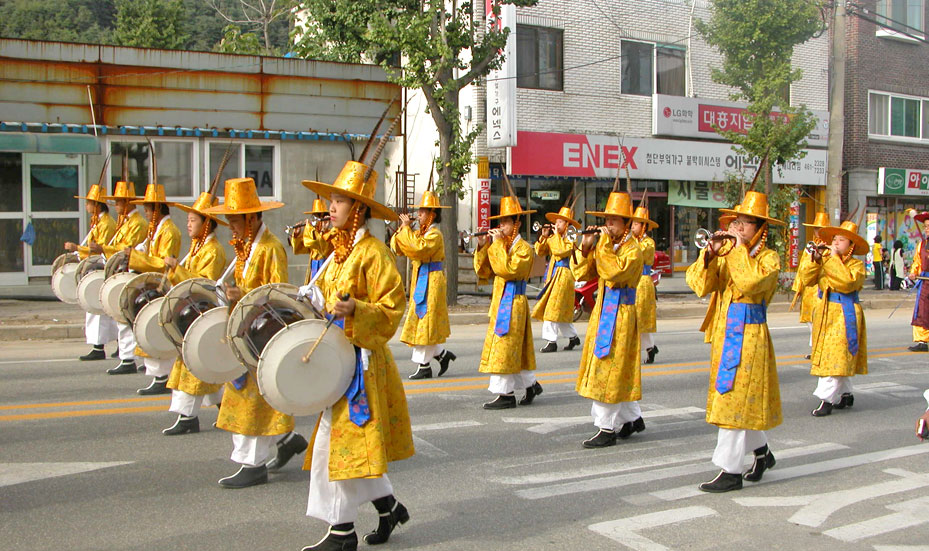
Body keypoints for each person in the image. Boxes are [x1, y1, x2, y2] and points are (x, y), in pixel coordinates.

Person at [299, 159, 415, 550]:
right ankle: (389, 507)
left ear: (358, 209)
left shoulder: (374, 253)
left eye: (339, 201)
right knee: (351, 444)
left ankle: (342, 532)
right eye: (331, 200)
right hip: (337, 360)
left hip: (361, 365)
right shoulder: (338, 253)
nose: (330, 207)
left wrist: (357, 310)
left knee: (337, 445)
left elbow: (392, 308)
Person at [203, 177, 308, 489]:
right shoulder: (246, 248)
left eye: (235, 221)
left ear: (251, 218)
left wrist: (243, 294)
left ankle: (253, 464)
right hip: (244, 330)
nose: (231, 228)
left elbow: (278, 296)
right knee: (253, 396)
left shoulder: (270, 248)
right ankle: (286, 439)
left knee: (251, 398)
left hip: (261, 333)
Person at [685, 190, 783, 493]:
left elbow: (750, 283)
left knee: (732, 401)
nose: (738, 227)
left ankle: (730, 470)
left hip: (749, 337)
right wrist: (709, 255)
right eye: (736, 222)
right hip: (725, 333)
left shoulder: (768, 258)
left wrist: (737, 248)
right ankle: (762, 453)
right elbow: (699, 285)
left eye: (745, 223)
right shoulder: (730, 254)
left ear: (760, 229)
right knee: (738, 399)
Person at [573, 190, 645, 448]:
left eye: (614, 220)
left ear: (626, 223)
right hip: (604, 311)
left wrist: (601, 244)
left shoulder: (633, 250)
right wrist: (586, 246)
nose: (608, 224)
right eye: (607, 219)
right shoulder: (608, 245)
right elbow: (583, 273)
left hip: (621, 315)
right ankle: (632, 418)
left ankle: (606, 427)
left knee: (608, 369)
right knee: (616, 369)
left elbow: (613, 273)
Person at [158, 191, 228, 435]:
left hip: (203, 313)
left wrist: (177, 270)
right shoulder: (197, 247)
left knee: (193, 363)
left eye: (192, 220)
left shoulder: (213, 251)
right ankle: (224, 409)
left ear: (206, 223)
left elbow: (205, 285)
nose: (188, 224)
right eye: (187, 220)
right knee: (203, 364)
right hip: (190, 312)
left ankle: (187, 416)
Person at [474, 182, 541, 410]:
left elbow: (508, 270)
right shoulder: (501, 245)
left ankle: (506, 394)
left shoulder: (525, 249)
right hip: (500, 301)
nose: (501, 226)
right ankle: (530, 384)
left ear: (516, 224)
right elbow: (484, 271)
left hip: (514, 303)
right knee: (514, 348)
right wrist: (483, 246)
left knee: (503, 347)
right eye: (500, 222)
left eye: (505, 222)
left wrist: (496, 246)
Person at [799, 218, 868, 417]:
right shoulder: (826, 260)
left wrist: (833, 258)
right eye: (834, 239)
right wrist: (815, 260)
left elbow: (846, 283)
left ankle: (826, 399)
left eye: (841, 240)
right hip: (825, 310)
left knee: (835, 355)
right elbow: (806, 279)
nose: (836, 243)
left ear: (851, 245)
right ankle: (846, 393)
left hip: (844, 313)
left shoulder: (856, 265)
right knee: (832, 354)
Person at [389, 182, 455, 380]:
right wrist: (403, 229)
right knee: (422, 320)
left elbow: (418, 248)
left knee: (424, 320)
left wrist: (406, 230)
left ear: (432, 214)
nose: (418, 215)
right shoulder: (420, 233)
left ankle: (424, 365)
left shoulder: (435, 234)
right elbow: (398, 247)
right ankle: (442, 355)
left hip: (432, 281)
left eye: (423, 211)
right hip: (421, 279)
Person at [126, 181, 182, 395]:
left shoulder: (170, 231)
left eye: (149, 209)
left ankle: (162, 376)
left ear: (158, 209)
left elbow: (163, 264)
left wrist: (137, 258)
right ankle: (158, 374)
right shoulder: (156, 229)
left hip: (161, 285)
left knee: (156, 329)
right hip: (150, 283)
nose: (146, 213)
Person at [93, 178, 148, 375]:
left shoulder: (138, 223)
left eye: (118, 202)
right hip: (123, 271)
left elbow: (128, 250)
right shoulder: (125, 222)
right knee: (125, 317)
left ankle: (130, 358)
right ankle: (130, 355)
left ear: (127, 203)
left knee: (130, 317)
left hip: (133, 273)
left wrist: (104, 249)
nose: (115, 206)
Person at [64, 182, 117, 361]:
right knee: (104, 309)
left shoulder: (107, 223)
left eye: (89, 203)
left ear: (97, 205)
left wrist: (77, 248)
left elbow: (100, 250)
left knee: (96, 307)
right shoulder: (98, 222)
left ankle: (98, 347)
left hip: (101, 268)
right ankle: (117, 344)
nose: (86, 206)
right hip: (96, 268)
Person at [531, 201, 582, 353]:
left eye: (560, 222)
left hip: (564, 275)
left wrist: (555, 236)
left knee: (552, 309)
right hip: (554, 275)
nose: (556, 224)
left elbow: (560, 251)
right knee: (560, 310)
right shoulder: (555, 237)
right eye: (557, 221)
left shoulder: (570, 236)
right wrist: (543, 236)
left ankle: (551, 341)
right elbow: (540, 252)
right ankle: (573, 337)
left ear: (567, 224)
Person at [792, 212, 831, 360]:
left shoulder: (830, 247)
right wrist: (798, 288)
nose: (817, 231)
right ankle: (815, 347)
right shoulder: (810, 246)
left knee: (820, 319)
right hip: (808, 287)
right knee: (810, 320)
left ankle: (820, 349)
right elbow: (803, 267)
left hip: (821, 288)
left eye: (820, 229)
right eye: (816, 228)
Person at [630, 199, 659, 364]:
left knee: (639, 318)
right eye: (632, 223)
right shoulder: (632, 241)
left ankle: (647, 348)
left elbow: (636, 253)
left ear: (644, 227)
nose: (632, 227)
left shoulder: (648, 243)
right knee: (634, 318)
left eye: (636, 224)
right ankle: (650, 347)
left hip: (643, 281)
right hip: (632, 281)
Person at [291, 196, 334, 284]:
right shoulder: (313, 233)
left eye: (318, 217)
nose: (316, 221)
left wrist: (322, 230)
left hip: (325, 267)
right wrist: (296, 235)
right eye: (314, 217)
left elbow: (322, 248)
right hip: (314, 266)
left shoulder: (331, 234)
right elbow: (300, 248)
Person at [908, 212, 929, 352]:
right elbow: (917, 261)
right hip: (925, 282)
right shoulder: (922, 244)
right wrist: (913, 272)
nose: (927, 229)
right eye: (925, 226)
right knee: (922, 310)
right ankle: (922, 341)